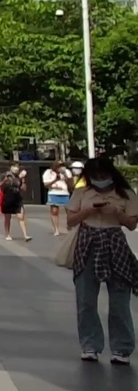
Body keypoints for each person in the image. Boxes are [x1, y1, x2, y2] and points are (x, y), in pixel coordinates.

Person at [65, 156, 137, 364]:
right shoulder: (81, 193)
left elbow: (132, 224)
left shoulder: (126, 194)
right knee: (86, 299)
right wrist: (87, 210)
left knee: (119, 301)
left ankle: (121, 348)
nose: (100, 179)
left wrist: (116, 213)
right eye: (95, 176)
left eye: (103, 175)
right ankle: (90, 345)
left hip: (115, 242)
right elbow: (70, 221)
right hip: (87, 241)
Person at [0, 164, 30, 241]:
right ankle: (7, 234)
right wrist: (4, 181)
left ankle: (25, 235)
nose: (16, 169)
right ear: (11, 167)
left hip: (17, 199)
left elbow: (23, 189)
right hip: (7, 198)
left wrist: (23, 180)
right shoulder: (5, 176)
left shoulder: (19, 177)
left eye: (17, 167)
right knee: (7, 218)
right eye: (14, 166)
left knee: (21, 216)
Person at [45, 163, 73, 236]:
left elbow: (71, 184)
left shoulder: (67, 172)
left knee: (69, 211)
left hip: (65, 193)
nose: (61, 167)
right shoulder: (49, 172)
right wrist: (56, 179)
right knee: (54, 211)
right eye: (59, 166)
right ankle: (56, 229)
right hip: (53, 193)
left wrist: (65, 176)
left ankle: (70, 226)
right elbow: (46, 185)